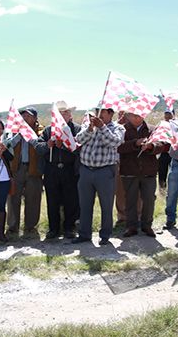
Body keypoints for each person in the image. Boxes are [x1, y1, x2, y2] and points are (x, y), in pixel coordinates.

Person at [72, 107, 125, 245]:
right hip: (85, 170)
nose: (99, 115)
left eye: (102, 112)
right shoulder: (87, 125)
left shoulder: (118, 128)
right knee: (85, 204)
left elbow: (114, 142)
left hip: (105, 171)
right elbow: (78, 139)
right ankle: (84, 234)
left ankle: (105, 235)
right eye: (98, 111)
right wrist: (90, 129)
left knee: (106, 205)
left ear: (110, 114)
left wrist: (102, 128)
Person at [34, 101, 80, 239]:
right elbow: (38, 147)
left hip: (70, 169)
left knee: (70, 199)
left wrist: (64, 146)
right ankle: (53, 229)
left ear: (70, 114)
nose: (63, 115)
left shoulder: (76, 129)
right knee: (52, 200)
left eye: (65, 112)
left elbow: (78, 148)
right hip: (51, 169)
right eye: (60, 113)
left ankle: (69, 228)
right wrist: (48, 145)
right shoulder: (48, 130)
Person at [117, 112, 162, 237]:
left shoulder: (153, 129)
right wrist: (135, 143)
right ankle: (131, 226)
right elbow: (118, 147)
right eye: (133, 115)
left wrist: (151, 146)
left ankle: (147, 226)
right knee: (130, 200)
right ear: (128, 116)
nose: (137, 117)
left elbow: (162, 146)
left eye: (139, 115)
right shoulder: (121, 130)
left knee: (149, 200)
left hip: (149, 172)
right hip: (129, 171)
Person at [7, 107, 42, 235]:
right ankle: (12, 226)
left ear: (35, 118)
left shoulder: (41, 131)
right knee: (13, 197)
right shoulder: (13, 130)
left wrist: (30, 135)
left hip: (34, 168)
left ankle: (30, 226)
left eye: (29, 116)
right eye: (24, 116)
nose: (26, 119)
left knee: (33, 197)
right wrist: (20, 134)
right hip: (17, 168)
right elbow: (7, 144)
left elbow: (41, 147)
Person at [157, 107, 174, 189]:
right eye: (166, 114)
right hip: (163, 152)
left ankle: (172, 188)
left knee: (173, 173)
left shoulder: (176, 125)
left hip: (173, 153)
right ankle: (162, 189)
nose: (167, 116)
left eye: (169, 114)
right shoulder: (160, 125)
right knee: (162, 172)